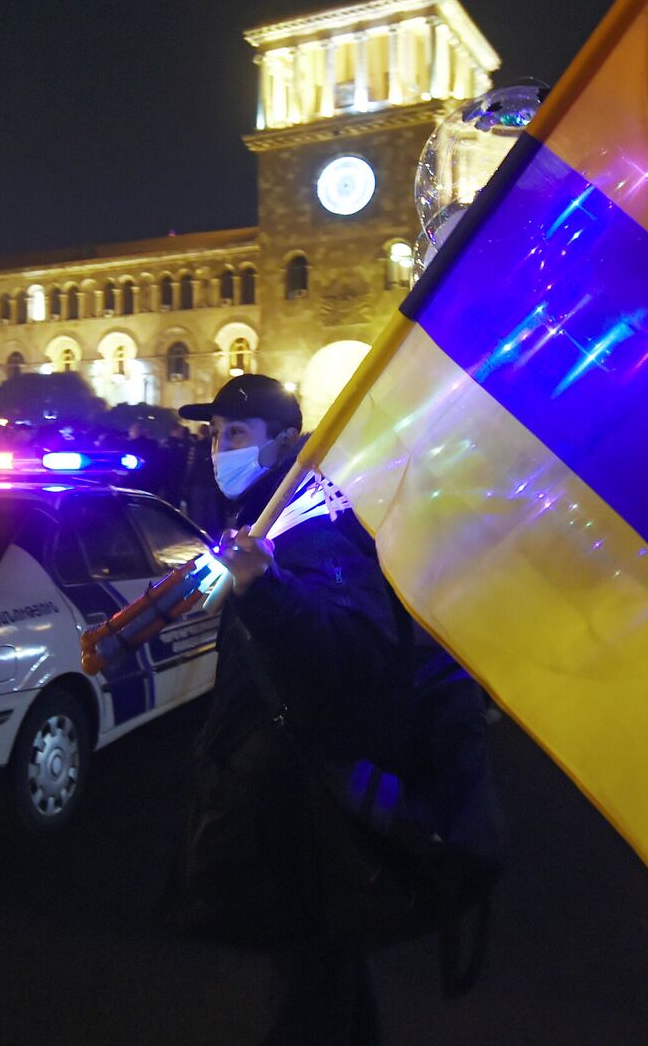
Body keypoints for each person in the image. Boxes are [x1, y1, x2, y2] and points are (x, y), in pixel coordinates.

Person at [170, 374, 499, 1045]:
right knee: (323, 966)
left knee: (309, 981)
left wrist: (264, 592)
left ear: (282, 443)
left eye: (234, 434)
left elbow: (351, 651)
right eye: (212, 434)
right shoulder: (266, 522)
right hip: (282, 795)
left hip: (300, 803)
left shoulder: (309, 532)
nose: (217, 448)